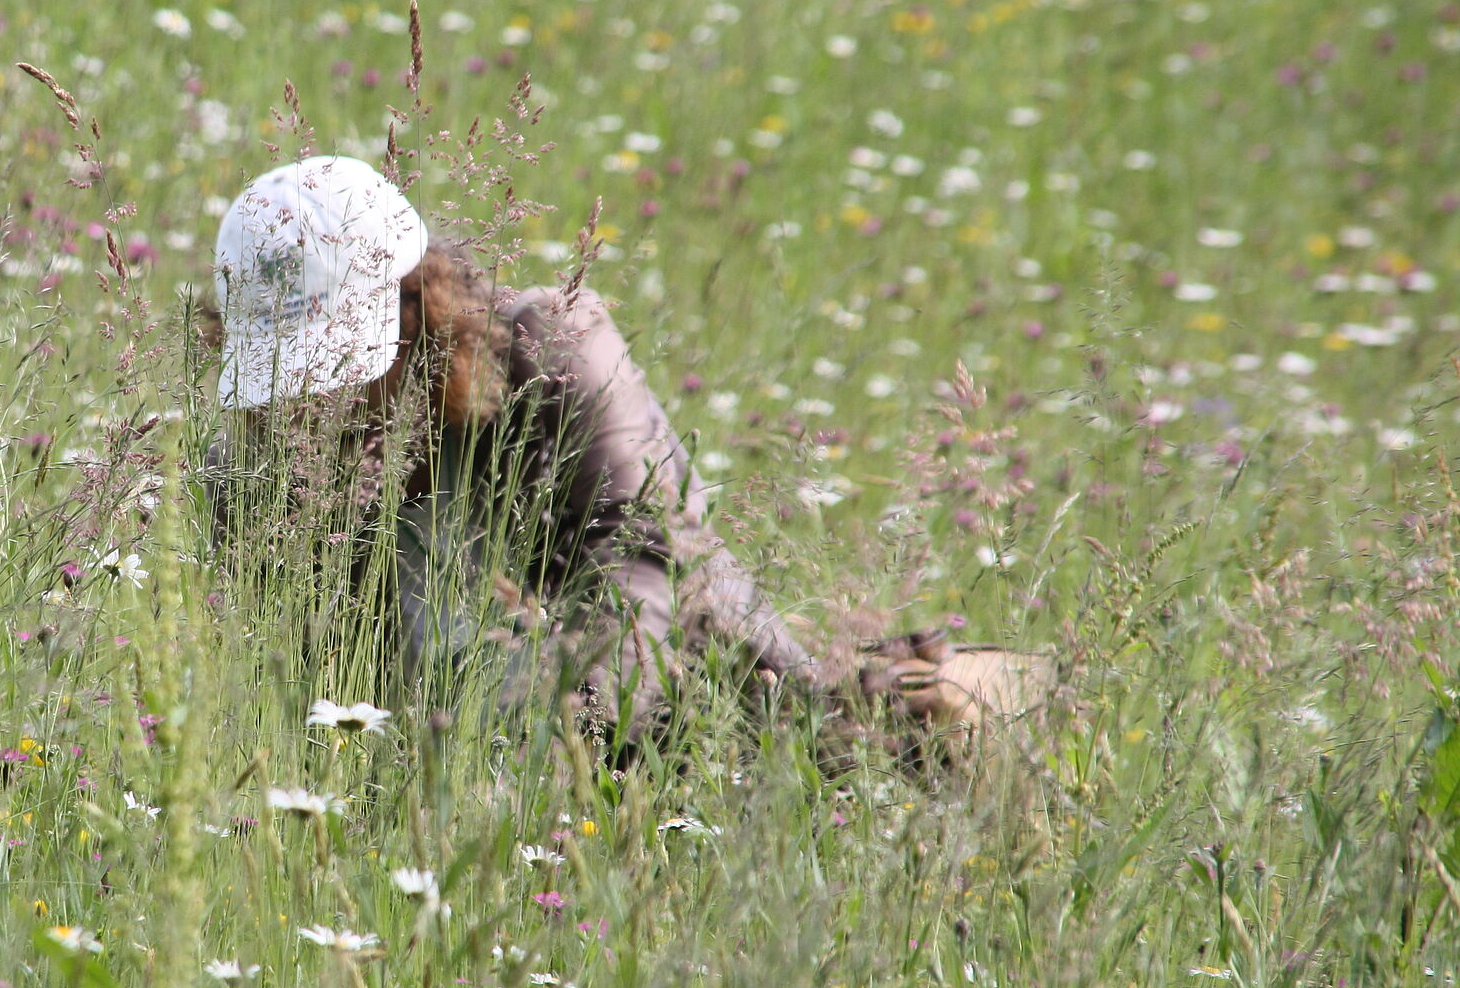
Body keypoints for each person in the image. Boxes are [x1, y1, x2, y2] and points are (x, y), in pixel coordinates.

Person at [199, 154, 1048, 771]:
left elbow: (641, 569)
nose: (314, 406)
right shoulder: (248, 483)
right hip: (426, 788)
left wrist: (544, 742)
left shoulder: (552, 350)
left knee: (936, 718)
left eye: (340, 368)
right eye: (290, 378)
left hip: (689, 729)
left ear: (421, 309)